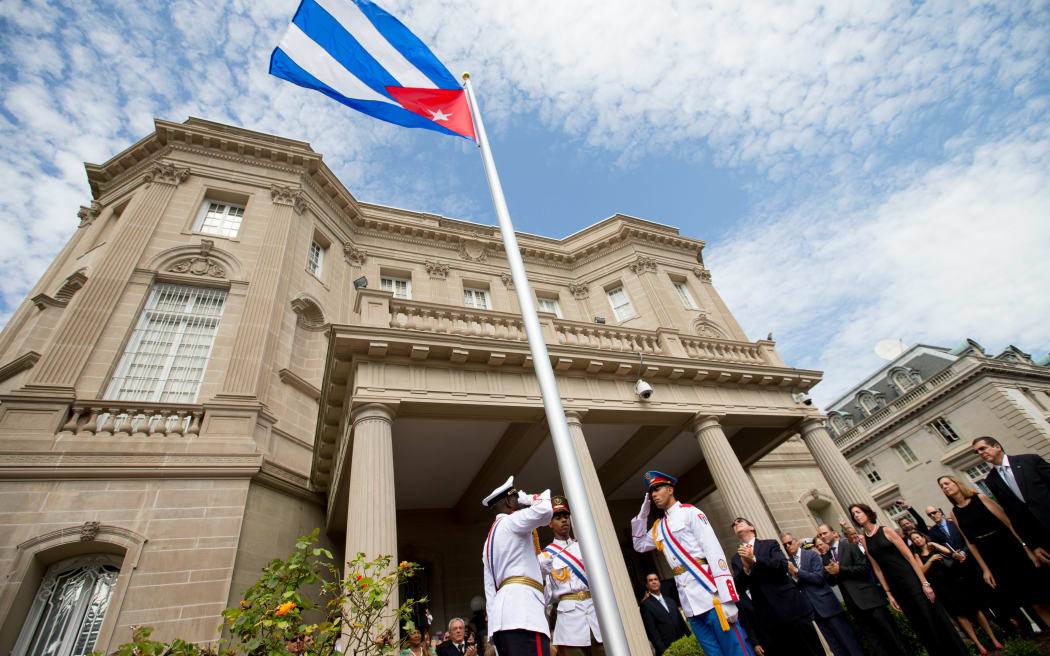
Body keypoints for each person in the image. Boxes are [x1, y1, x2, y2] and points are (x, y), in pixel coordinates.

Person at [631, 470, 752, 656]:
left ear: (670, 489)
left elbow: (714, 552)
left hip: (712, 597)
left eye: (657, 488)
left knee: (735, 651)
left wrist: (728, 598)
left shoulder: (691, 512)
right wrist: (643, 514)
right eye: (651, 491)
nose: (654, 494)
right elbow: (639, 545)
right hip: (690, 604)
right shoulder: (659, 527)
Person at [848, 503, 969, 656]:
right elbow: (877, 568)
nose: (856, 516)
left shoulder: (886, 530)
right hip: (896, 586)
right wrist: (889, 593)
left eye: (858, 512)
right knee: (919, 625)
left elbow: (910, 557)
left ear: (867, 513)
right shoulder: (864, 539)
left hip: (910, 579)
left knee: (931, 618)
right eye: (854, 514)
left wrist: (924, 583)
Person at [939, 474, 1050, 626]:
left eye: (947, 483)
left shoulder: (980, 499)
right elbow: (970, 543)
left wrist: (1026, 548)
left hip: (1010, 547)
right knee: (1030, 600)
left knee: (1041, 593)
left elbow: (1008, 523)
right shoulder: (954, 512)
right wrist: (985, 569)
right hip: (992, 556)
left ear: (957, 483)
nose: (945, 487)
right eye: (942, 486)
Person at [481, 475, 552, 656]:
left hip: (502, 622)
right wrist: (529, 499)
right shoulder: (512, 521)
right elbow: (545, 509)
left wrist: (492, 631)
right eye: (515, 499)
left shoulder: (488, 541)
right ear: (509, 502)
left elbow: (490, 590)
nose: (518, 502)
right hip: (525, 615)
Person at [729, 519, 822, 656]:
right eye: (734, 525)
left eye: (740, 521)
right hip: (767, 616)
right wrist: (746, 568)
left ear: (752, 527)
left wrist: (754, 559)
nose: (736, 524)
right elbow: (739, 586)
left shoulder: (770, 544)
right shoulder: (737, 558)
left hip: (791, 607)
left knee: (811, 649)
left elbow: (782, 566)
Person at [817, 523, 907, 655]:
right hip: (854, 604)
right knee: (874, 641)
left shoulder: (850, 547)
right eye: (820, 535)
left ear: (833, 533)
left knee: (892, 635)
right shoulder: (825, 557)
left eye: (824, 533)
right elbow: (830, 582)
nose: (823, 536)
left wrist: (840, 569)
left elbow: (864, 569)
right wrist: (832, 573)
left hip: (870, 599)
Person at [910, 531, 1002, 654]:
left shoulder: (934, 546)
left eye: (918, 537)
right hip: (942, 588)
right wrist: (931, 560)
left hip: (955, 581)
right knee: (960, 615)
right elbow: (921, 571)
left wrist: (934, 545)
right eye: (914, 539)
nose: (917, 540)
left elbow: (948, 552)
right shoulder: (917, 555)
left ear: (923, 537)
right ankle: (979, 644)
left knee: (975, 609)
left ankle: (994, 639)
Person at [538, 496, 604, 655]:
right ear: (550, 523)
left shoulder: (584, 546)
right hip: (569, 621)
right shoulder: (545, 556)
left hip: (594, 614)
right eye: (558, 518)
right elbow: (544, 596)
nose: (564, 521)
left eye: (566, 517)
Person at [782, 533, 863, 656]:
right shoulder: (789, 563)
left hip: (828, 606)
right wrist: (794, 576)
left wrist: (797, 571)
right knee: (835, 647)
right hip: (813, 610)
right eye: (784, 545)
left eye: (789, 542)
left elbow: (818, 578)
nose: (787, 546)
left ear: (797, 542)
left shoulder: (811, 555)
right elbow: (796, 587)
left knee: (848, 642)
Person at [972, 436, 1050, 560]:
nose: (980, 453)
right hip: (1041, 537)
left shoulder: (1029, 460)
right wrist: (1033, 545)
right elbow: (1013, 514)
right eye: (977, 452)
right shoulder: (991, 480)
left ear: (997, 446)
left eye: (982, 448)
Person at [638, 573, 690, 656]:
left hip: (684, 646)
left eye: (656, 579)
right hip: (667, 650)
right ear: (647, 585)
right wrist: (665, 652)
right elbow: (652, 632)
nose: (654, 582)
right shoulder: (646, 605)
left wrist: (690, 639)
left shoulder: (670, 601)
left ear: (659, 582)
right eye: (650, 580)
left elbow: (682, 623)